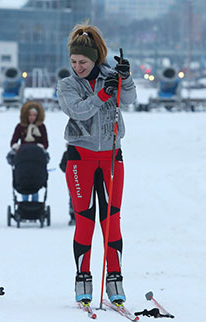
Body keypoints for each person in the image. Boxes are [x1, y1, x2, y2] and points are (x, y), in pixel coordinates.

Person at [57, 22, 136, 305]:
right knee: (86, 221)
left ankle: (115, 278)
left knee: (111, 220)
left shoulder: (110, 77)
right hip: (81, 159)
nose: (77, 67)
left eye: (83, 62)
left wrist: (124, 79)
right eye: (73, 61)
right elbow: (78, 111)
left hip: (112, 156)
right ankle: (83, 277)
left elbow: (129, 99)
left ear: (96, 59)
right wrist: (103, 94)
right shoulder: (67, 85)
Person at [8, 101, 49, 202]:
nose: (32, 117)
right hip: (24, 158)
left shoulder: (41, 127)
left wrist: (41, 146)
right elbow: (13, 141)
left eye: (34, 115)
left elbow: (46, 143)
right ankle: (24, 203)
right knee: (23, 181)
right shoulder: (20, 126)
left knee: (35, 182)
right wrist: (16, 146)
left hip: (36, 158)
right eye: (30, 115)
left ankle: (35, 204)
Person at [59, 146, 75, 226]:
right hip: (71, 178)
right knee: (72, 197)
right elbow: (62, 165)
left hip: (82, 178)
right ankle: (73, 215)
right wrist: (68, 170)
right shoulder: (67, 154)